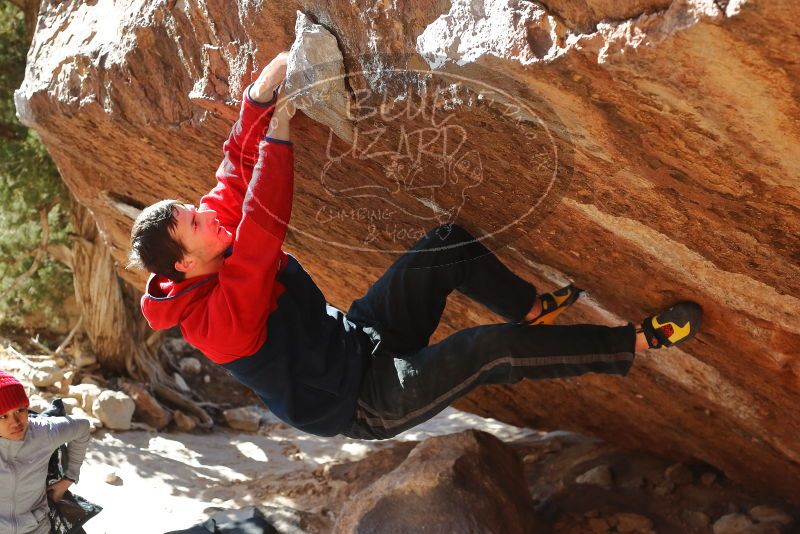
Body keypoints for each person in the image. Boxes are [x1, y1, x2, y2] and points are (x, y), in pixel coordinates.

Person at [128, 52, 702, 440]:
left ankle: (527, 305)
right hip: (363, 400)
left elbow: (233, 174)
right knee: (489, 351)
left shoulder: (207, 244)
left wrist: (261, 95)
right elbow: (260, 233)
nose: (207, 214)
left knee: (445, 246)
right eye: (195, 221)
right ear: (185, 262)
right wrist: (281, 129)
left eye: (195, 210)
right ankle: (634, 343)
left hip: (361, 340)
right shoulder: (214, 323)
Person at [0, 370, 91, 534]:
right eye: (2, 417)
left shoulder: (44, 432)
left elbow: (83, 427)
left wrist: (70, 477)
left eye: (20, 410)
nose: (15, 423)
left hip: (38, 528)